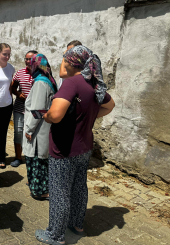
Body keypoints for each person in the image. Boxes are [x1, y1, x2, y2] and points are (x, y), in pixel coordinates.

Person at [35, 45, 115, 245]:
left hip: (65, 148)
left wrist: (46, 115)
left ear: (71, 62)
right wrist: (89, 116)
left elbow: (55, 114)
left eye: (64, 58)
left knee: (60, 191)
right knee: (79, 187)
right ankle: (77, 225)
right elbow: (110, 105)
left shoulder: (72, 83)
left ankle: (55, 235)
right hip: (84, 147)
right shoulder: (93, 83)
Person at [23, 54, 57, 201]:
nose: (29, 68)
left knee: (37, 159)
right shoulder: (47, 80)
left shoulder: (40, 83)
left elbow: (37, 109)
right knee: (41, 159)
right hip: (43, 126)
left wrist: (29, 130)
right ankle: (38, 187)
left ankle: (40, 191)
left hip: (38, 128)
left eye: (31, 65)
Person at [10, 50, 38, 167]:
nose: (27, 61)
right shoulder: (20, 73)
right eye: (26, 59)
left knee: (32, 134)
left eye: (30, 59)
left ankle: (31, 157)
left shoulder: (41, 74)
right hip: (19, 108)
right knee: (18, 132)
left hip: (34, 111)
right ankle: (18, 157)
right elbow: (12, 87)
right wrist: (18, 94)